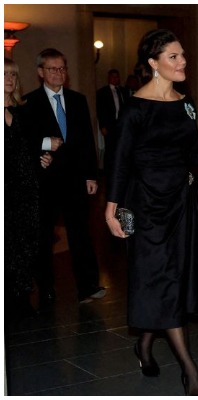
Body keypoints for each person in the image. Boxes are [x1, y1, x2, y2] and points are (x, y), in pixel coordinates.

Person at [104, 28, 198, 396]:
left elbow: (192, 155)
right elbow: (118, 162)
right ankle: (191, 371)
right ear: (153, 64)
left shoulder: (186, 104)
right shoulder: (135, 108)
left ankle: (143, 344)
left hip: (183, 205)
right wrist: (111, 210)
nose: (182, 61)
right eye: (173, 56)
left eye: (183, 54)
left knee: (172, 283)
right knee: (162, 282)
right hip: (148, 209)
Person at [23, 48, 105, 306]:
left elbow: (87, 141)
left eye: (62, 68)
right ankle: (46, 289)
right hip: (45, 180)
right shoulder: (28, 103)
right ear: (40, 72)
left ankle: (88, 286)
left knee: (81, 232)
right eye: (52, 69)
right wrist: (42, 150)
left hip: (75, 180)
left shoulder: (77, 100)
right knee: (44, 236)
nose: (59, 73)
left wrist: (91, 175)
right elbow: (23, 142)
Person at [4, 58, 54, 321]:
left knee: (25, 245)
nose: (9, 79)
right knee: (7, 245)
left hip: (27, 189)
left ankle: (21, 299)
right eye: (4, 74)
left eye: (13, 74)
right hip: (5, 190)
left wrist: (43, 158)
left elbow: (32, 146)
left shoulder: (24, 111)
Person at [96, 68, 128, 176]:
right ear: (109, 78)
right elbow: (100, 110)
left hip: (122, 125)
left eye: (117, 76)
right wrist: (103, 126)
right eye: (113, 76)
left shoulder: (123, 91)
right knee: (110, 149)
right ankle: (109, 171)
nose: (115, 78)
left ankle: (121, 169)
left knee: (122, 147)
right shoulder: (102, 92)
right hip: (110, 125)